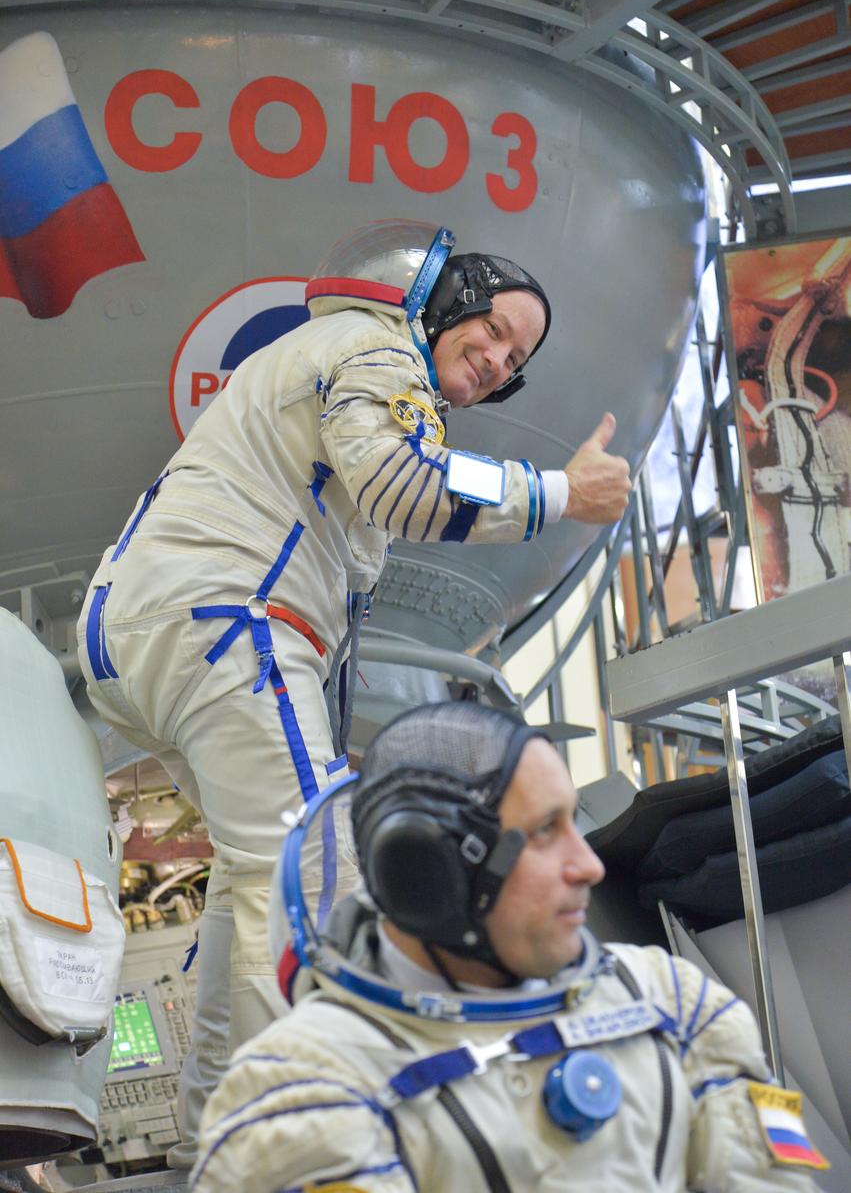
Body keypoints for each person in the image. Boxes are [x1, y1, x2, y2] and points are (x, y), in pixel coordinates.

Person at [76, 220, 631, 1165]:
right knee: (308, 871)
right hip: (230, 620)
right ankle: (301, 1133)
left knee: (256, 875)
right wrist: (556, 493)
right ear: (441, 305)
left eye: (516, 357)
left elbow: (365, 510)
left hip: (136, 637)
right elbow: (406, 482)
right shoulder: (377, 349)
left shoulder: (326, 356)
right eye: (493, 329)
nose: (498, 360)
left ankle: (217, 1117)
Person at [192, 702, 827, 1193]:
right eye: (546, 833)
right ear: (432, 878)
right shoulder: (300, 1095)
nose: (590, 865)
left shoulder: (673, 1002)